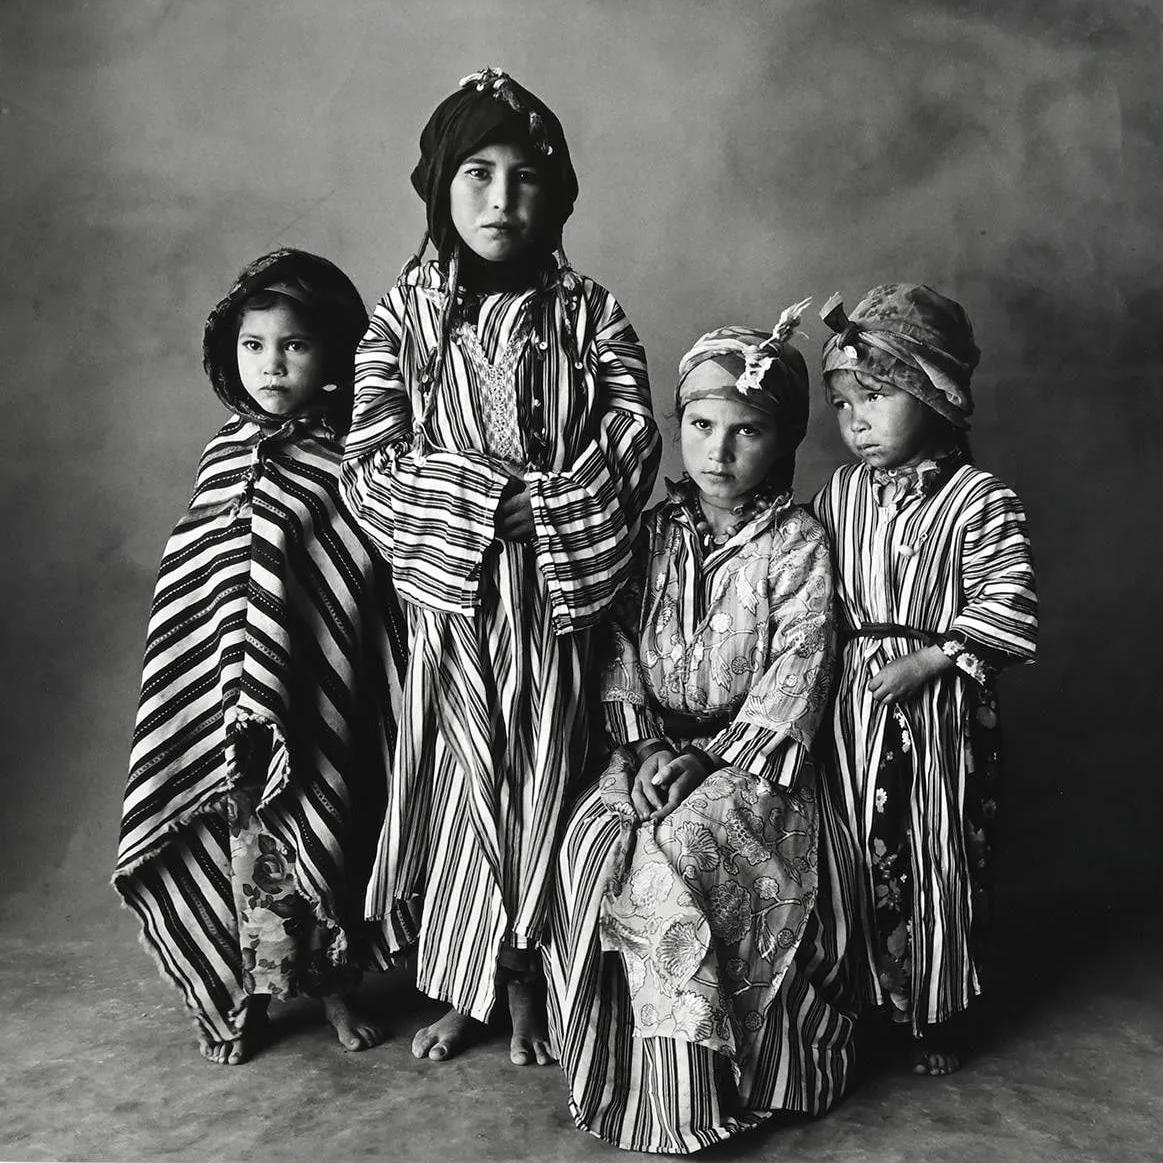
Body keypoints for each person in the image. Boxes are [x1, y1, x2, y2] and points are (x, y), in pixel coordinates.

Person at [341, 68, 661, 1066]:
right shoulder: (403, 317)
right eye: (476, 174)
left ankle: (540, 980)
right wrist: (485, 502)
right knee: (460, 785)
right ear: (441, 187)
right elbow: (370, 457)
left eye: (525, 179)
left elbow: (635, 438)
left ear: (555, 196)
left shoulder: (591, 314)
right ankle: (470, 986)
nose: (500, 200)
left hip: (562, 605)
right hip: (456, 605)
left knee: (553, 782)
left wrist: (548, 503)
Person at [546, 311, 858, 1153]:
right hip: (652, 746)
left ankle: (690, 1099)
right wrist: (645, 745)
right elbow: (614, 640)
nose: (718, 451)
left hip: (755, 767)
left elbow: (803, 668)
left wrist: (706, 758)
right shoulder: (651, 534)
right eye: (701, 426)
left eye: (747, 431)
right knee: (593, 838)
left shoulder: (797, 545)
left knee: (674, 851)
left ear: (786, 438)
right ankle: (614, 1073)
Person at [114, 249, 408, 1064]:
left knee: (323, 830)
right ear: (229, 353)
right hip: (227, 707)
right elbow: (194, 577)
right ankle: (243, 994)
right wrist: (228, 668)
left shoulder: (352, 456)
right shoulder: (226, 453)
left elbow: (357, 579)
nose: (271, 365)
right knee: (249, 850)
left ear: (335, 354)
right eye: (254, 346)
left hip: (313, 699)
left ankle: (338, 990)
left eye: (295, 345)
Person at [811, 283, 1038, 1076]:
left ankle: (937, 1012)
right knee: (854, 848)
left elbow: (1007, 603)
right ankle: (863, 1003)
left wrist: (934, 660)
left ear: (934, 395)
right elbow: (817, 593)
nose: (858, 421)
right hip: (852, 710)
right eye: (844, 405)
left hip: (940, 715)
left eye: (877, 397)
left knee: (934, 850)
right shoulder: (840, 496)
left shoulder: (981, 501)